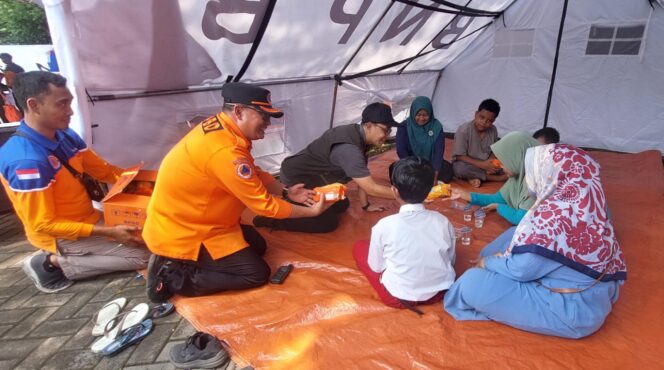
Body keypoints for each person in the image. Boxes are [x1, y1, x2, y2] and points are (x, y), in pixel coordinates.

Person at [142, 82, 331, 303]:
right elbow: (265, 206)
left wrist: (287, 192)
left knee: (259, 247)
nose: (268, 124)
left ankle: (186, 261)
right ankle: (172, 274)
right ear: (240, 112)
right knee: (255, 274)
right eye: (264, 116)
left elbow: (251, 171)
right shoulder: (224, 150)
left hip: (205, 219)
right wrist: (311, 213)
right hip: (187, 230)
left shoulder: (224, 130)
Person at [444, 144, 626, 339]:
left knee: (471, 284)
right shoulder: (592, 206)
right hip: (591, 295)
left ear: (551, 174)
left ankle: (489, 283)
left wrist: (488, 262)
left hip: (569, 308)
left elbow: (521, 270)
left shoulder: (554, 218)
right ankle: (494, 272)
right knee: (514, 235)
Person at [0, 71, 150, 293]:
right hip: (59, 234)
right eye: (62, 104)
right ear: (34, 105)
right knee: (145, 256)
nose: (70, 111)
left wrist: (147, 185)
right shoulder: (27, 162)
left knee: (155, 237)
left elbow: (105, 171)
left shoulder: (64, 135)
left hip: (87, 219)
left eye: (70, 103)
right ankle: (50, 264)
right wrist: (110, 233)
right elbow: (44, 224)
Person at [253, 102, 401, 233]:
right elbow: (370, 187)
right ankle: (275, 219)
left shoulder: (360, 136)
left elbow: (363, 177)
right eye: (385, 129)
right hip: (299, 178)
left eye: (389, 131)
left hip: (318, 175)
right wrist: (408, 196)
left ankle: (299, 203)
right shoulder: (349, 149)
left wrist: (366, 205)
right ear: (369, 125)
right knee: (327, 223)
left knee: (342, 204)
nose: (387, 135)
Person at [353, 156, 456, 313]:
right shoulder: (442, 221)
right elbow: (451, 260)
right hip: (440, 292)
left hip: (398, 298)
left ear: (394, 191)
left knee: (360, 247)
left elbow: (376, 266)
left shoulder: (384, 226)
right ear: (429, 191)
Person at [451, 132, 538, 225]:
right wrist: (468, 196)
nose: (500, 167)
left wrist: (499, 207)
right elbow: (498, 198)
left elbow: (520, 220)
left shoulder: (536, 182)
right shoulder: (518, 175)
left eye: (503, 162)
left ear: (517, 158)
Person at [396, 96, 453, 183]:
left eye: (425, 115)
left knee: (447, 169)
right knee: (396, 171)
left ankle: (420, 180)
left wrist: (435, 177)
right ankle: (421, 179)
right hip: (412, 165)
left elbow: (438, 153)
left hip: (430, 164)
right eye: (418, 115)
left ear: (430, 114)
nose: (422, 118)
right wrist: (413, 169)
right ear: (413, 112)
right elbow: (401, 151)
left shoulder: (436, 126)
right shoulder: (404, 126)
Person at [452, 98, 506, 187]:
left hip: (485, 164)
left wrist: (490, 163)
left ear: (494, 121)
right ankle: (495, 178)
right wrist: (482, 165)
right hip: (468, 163)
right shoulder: (464, 130)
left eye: (489, 121)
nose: (484, 122)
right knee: (458, 169)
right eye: (482, 117)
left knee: (507, 165)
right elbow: (459, 156)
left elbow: (493, 151)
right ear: (476, 114)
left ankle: (473, 177)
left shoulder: (493, 130)